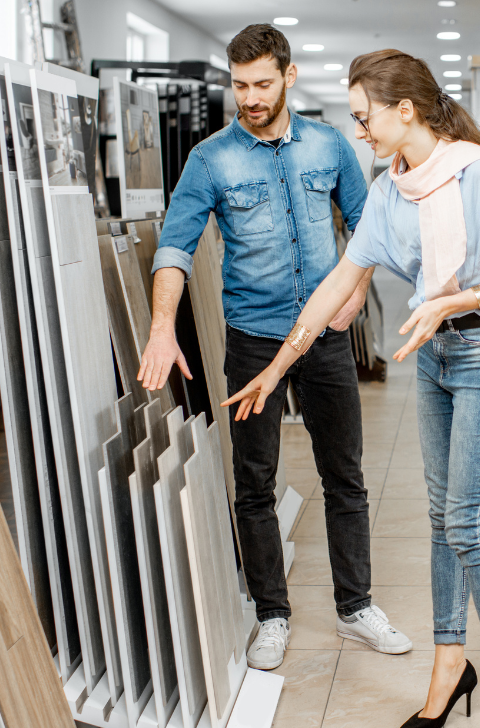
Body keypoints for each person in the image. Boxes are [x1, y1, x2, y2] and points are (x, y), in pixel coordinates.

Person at [224, 49, 480, 728]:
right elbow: (341, 280)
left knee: (469, 524)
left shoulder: (479, 175)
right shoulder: (388, 188)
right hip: (431, 356)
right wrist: (275, 369)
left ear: (406, 111)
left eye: (365, 116)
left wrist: (453, 301)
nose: (358, 129)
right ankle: (448, 667)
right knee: (440, 519)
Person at [139, 24, 412, 672]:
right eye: (239, 85)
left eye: (262, 83)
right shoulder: (211, 159)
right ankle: (272, 614)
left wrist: (357, 290)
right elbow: (174, 248)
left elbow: (368, 225)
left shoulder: (330, 146)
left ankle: (356, 606)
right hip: (254, 343)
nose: (250, 97)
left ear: (288, 77)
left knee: (344, 475)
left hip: (323, 339)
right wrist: (160, 327)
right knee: (253, 483)